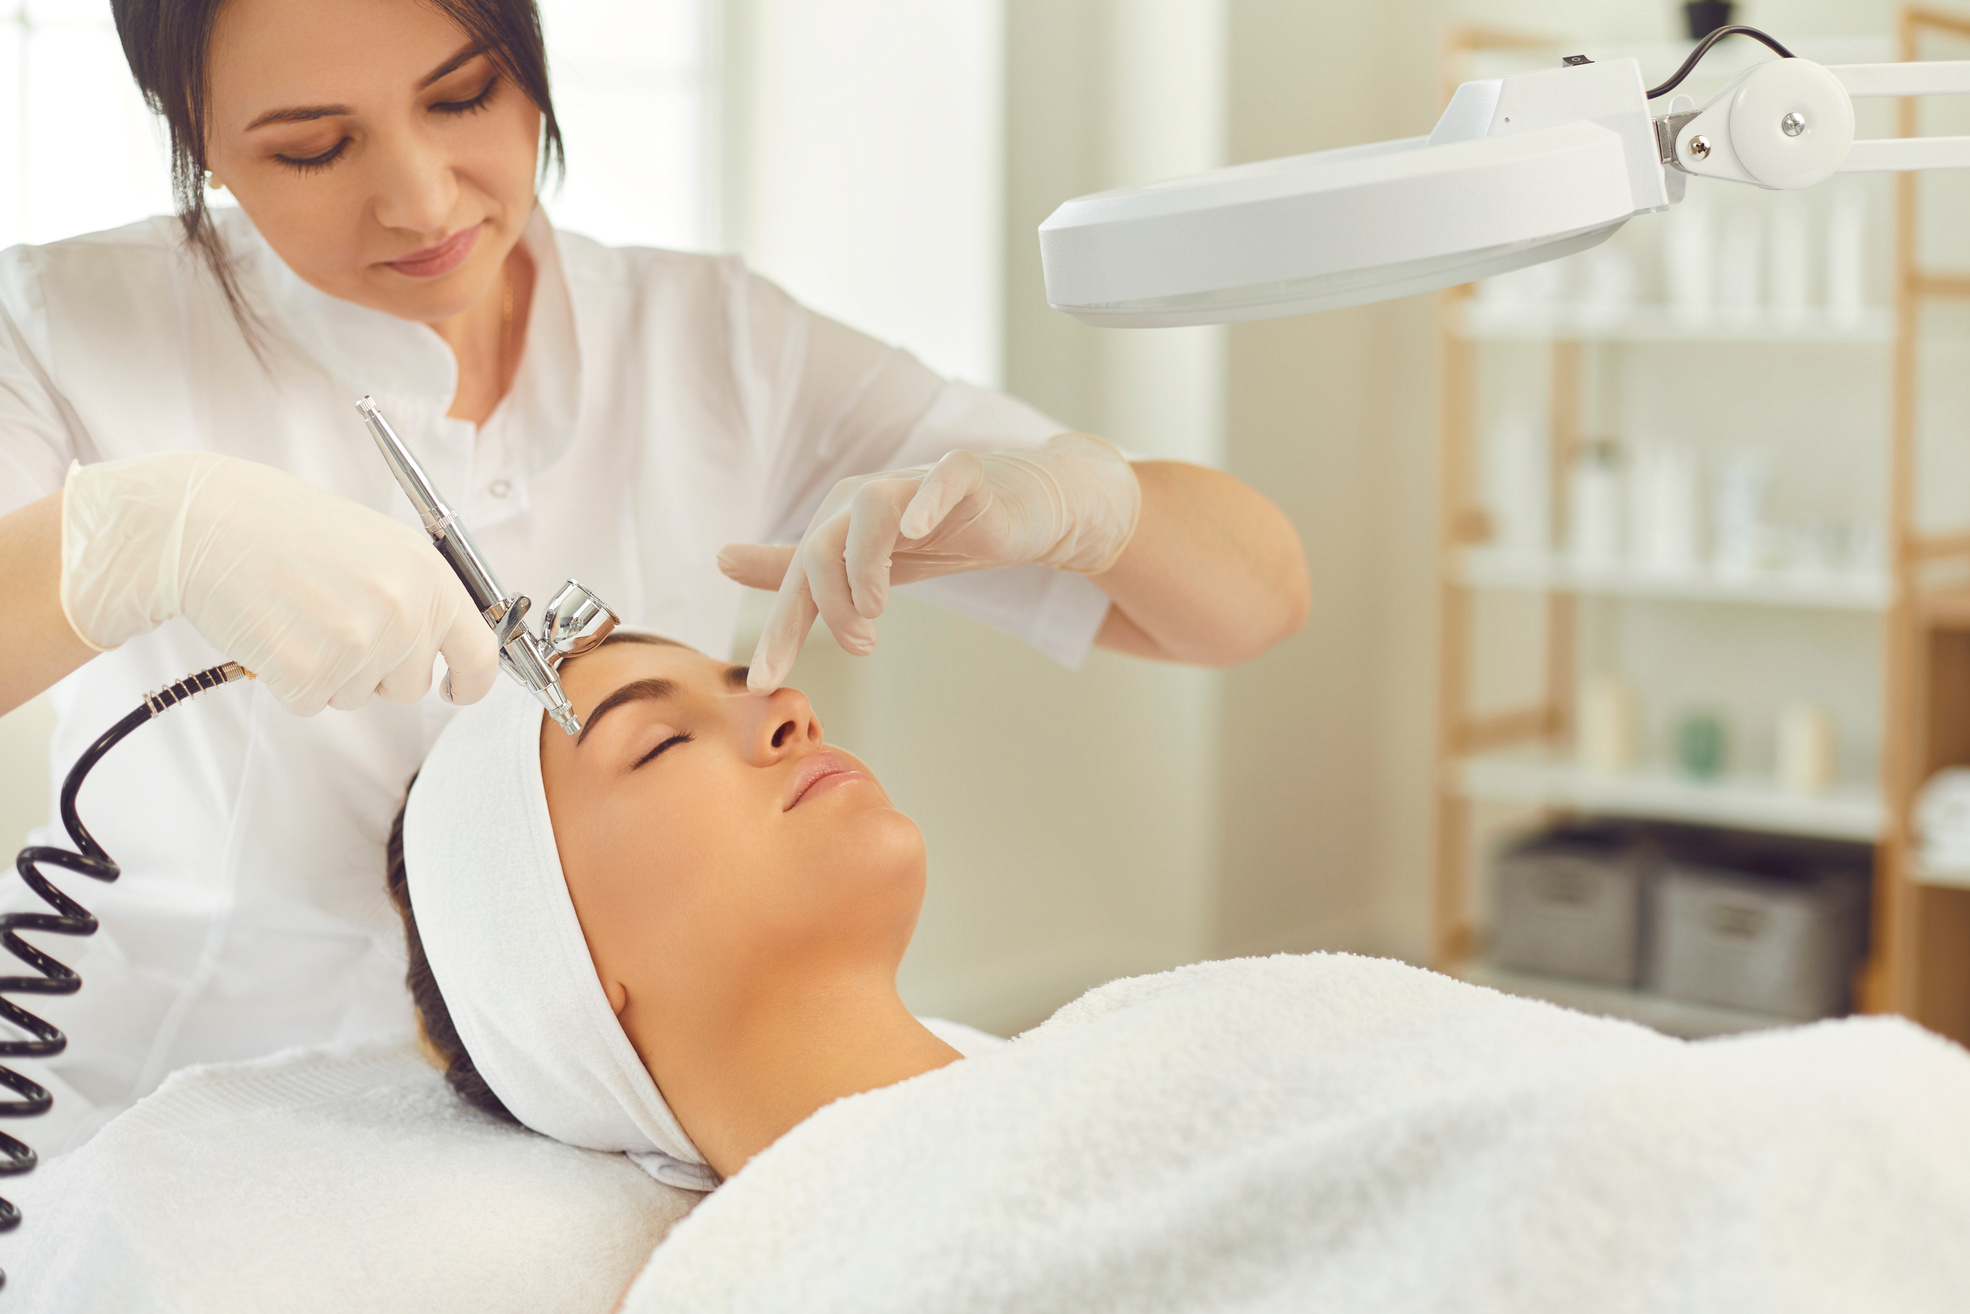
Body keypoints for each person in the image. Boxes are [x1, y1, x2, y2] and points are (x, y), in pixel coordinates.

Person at [0, 0, 1309, 1150]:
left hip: (584, 1125)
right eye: (312, 146)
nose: (422, 199)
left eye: (465, 96)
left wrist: (1079, 509)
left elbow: (1254, 601)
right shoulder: (60, 328)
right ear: (189, 127)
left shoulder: (715, 346)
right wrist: (131, 541)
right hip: (161, 1113)